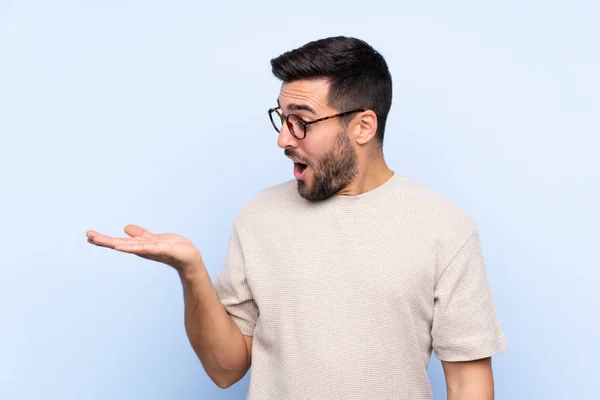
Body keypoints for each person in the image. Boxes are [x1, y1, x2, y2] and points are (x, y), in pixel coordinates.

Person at [86, 36, 507, 400]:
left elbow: (469, 383)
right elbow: (225, 369)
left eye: (301, 122)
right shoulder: (259, 217)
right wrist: (191, 271)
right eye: (282, 119)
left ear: (363, 126)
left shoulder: (443, 228)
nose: (284, 139)